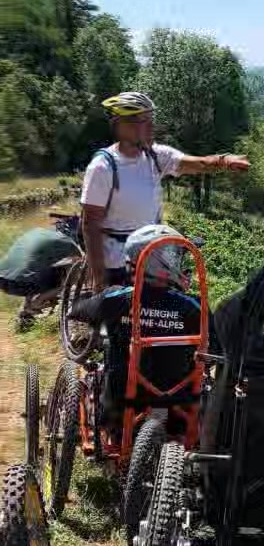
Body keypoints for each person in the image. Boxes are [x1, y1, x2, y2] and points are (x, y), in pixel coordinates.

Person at [80, 90, 250, 291]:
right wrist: (99, 278)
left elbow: (199, 164)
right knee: (120, 317)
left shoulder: (155, 156)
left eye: (152, 119)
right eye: (144, 121)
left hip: (151, 255)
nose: (152, 127)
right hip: (116, 260)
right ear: (121, 125)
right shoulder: (103, 167)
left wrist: (224, 161)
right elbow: (90, 225)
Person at [67, 224, 213, 422]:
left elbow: (75, 312)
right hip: (179, 415)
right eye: (176, 257)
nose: (181, 265)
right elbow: (217, 350)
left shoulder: (116, 297)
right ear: (162, 262)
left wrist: (87, 300)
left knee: (110, 346)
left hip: (119, 410)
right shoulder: (195, 306)